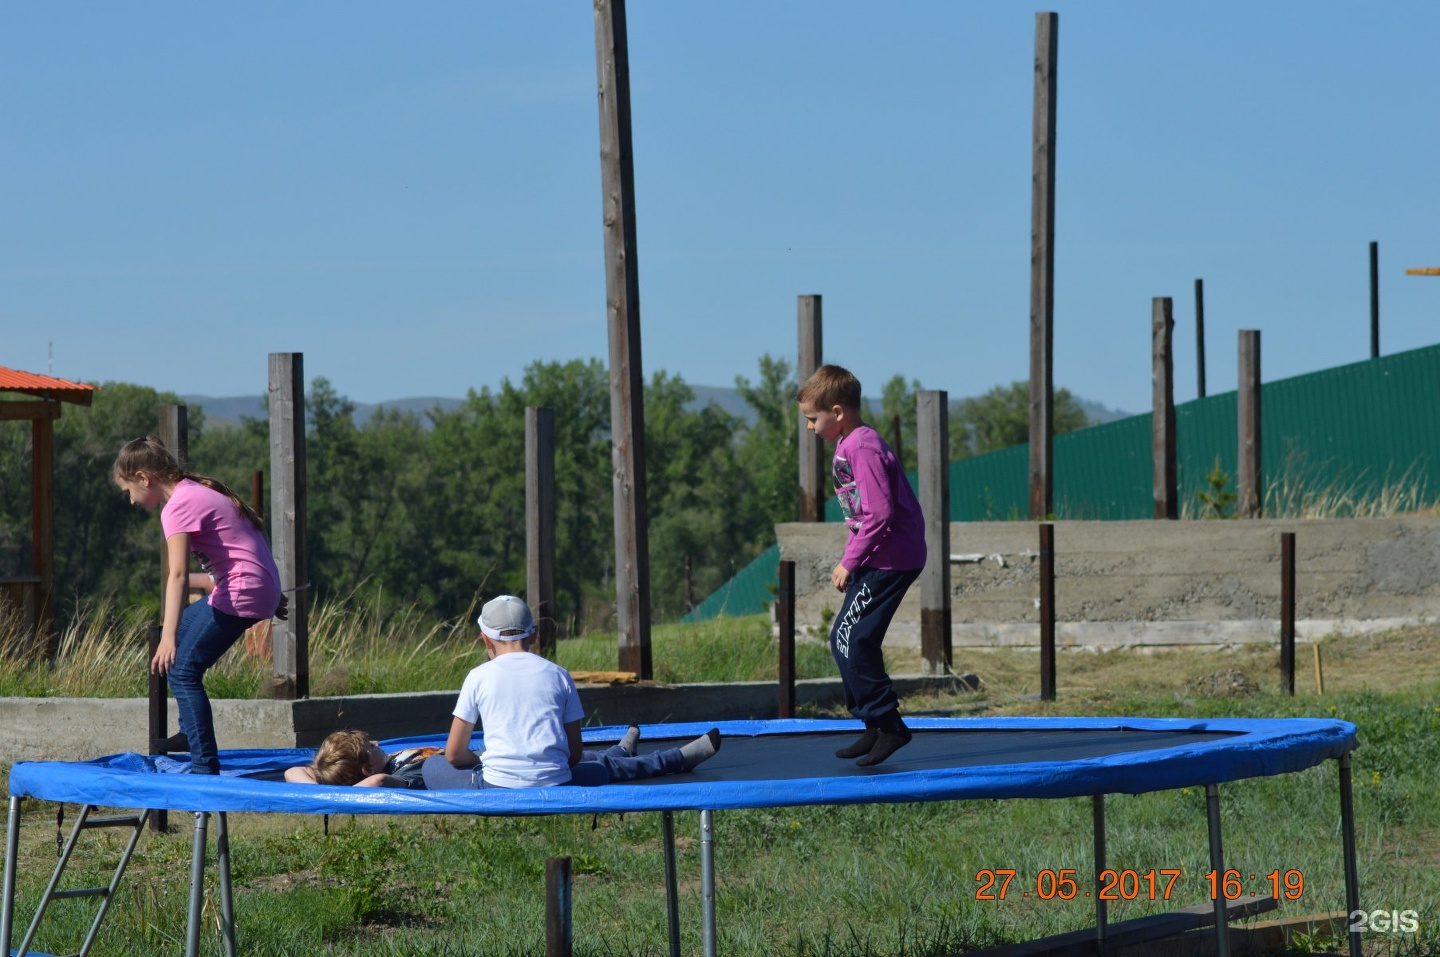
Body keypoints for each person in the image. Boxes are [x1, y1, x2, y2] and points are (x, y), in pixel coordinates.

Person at [114, 436, 288, 774]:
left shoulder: (178, 505)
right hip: (251, 587)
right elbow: (249, 537)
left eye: (128, 491)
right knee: (178, 642)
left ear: (143, 478)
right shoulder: (194, 490)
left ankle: (204, 766)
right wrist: (271, 589)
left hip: (241, 590)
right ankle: (190, 731)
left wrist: (168, 634)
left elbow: (177, 575)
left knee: (182, 669)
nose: (132, 501)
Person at [422, 595, 720, 789]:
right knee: (597, 770)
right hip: (556, 784)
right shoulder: (558, 674)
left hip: (497, 786)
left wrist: (485, 759)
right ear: (534, 635)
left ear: (485, 640)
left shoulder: (478, 676)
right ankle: (663, 759)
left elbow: (453, 754)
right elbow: (574, 754)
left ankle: (633, 754)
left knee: (432, 766)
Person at [797, 364, 927, 767]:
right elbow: (861, 514)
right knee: (846, 639)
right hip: (876, 557)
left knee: (852, 639)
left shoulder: (862, 446)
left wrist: (847, 560)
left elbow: (880, 513)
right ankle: (873, 723)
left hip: (891, 559)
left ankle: (890, 726)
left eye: (812, 419)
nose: (810, 428)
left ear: (838, 412)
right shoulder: (849, 444)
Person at [285, 731, 445, 788]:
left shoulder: (386, 761)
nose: (377, 743)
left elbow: (293, 772)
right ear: (368, 769)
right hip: (467, 770)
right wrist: (338, 796)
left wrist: (322, 792)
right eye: (372, 746)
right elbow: (377, 781)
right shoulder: (401, 775)